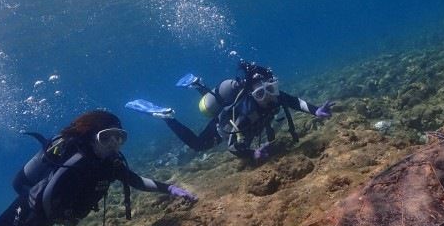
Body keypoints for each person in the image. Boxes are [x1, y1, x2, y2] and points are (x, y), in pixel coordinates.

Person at [0, 109, 197, 226]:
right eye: (106, 138)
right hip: (33, 208)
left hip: (53, 215)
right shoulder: (76, 161)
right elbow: (44, 198)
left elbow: (136, 181)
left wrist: (170, 189)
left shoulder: (111, 163)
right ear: (91, 138)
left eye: (119, 138)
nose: (113, 145)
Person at [126, 61, 336, 163]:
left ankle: (200, 86)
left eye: (271, 89)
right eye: (261, 93)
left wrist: (316, 111)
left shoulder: (274, 96)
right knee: (199, 145)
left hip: (235, 113)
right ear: (252, 95)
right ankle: (167, 117)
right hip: (223, 125)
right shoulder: (244, 114)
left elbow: (293, 101)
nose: (270, 96)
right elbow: (233, 147)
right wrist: (252, 154)